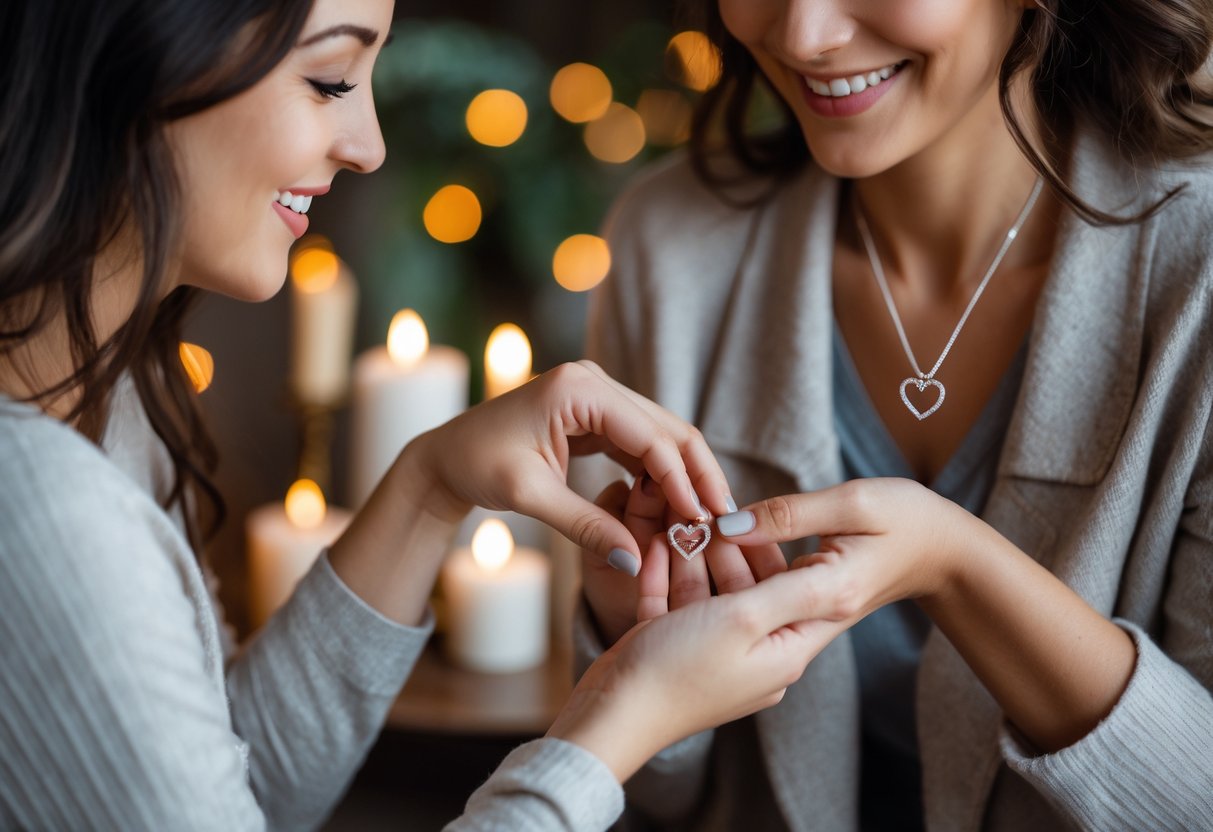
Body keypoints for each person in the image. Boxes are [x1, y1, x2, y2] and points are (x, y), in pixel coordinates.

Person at [0, 0, 845, 829]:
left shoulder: (110, 394)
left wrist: (430, 482)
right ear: (139, 48)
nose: (367, 146)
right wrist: (623, 716)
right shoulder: (43, 504)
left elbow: (225, 783)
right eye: (330, 77)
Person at [578, 0, 1213, 829]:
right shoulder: (671, 248)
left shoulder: (1195, 275)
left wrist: (958, 570)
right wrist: (628, 643)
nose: (803, 36)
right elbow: (658, 803)